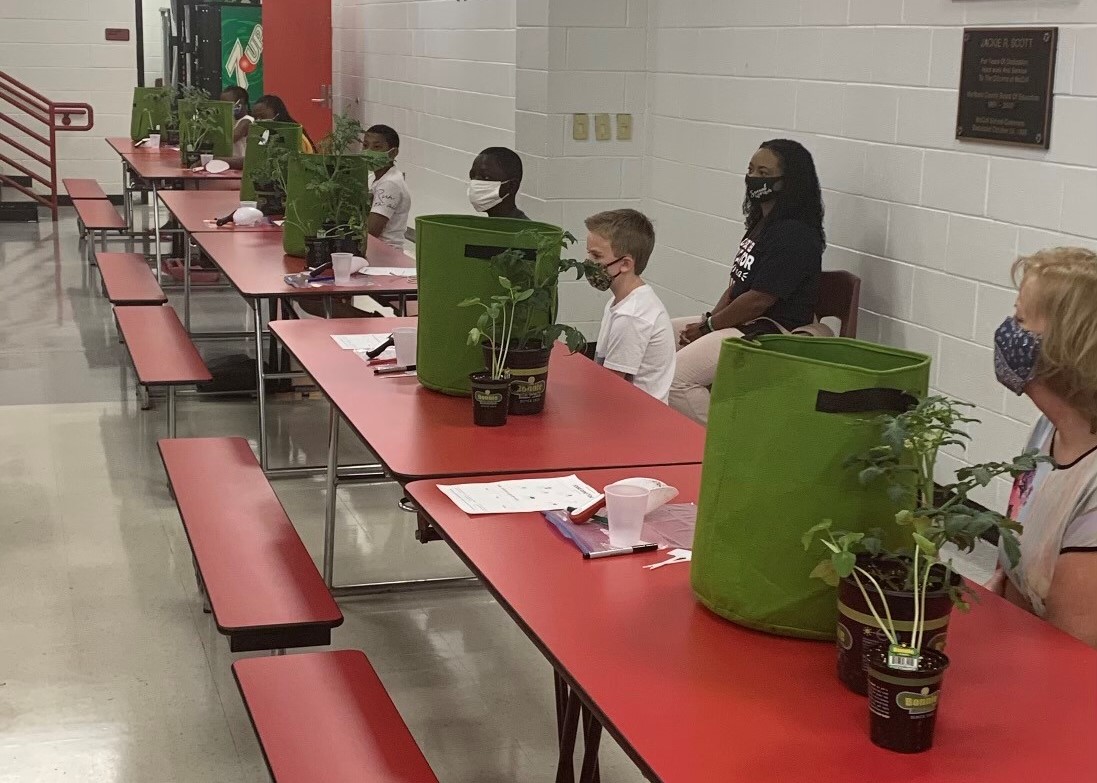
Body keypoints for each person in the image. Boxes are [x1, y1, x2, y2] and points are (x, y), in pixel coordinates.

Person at [668, 138, 825, 424]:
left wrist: (709, 327)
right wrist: (708, 321)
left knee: (676, 381)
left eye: (764, 174)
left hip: (771, 334)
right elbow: (737, 285)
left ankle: (721, 448)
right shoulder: (763, 223)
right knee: (657, 338)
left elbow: (758, 301)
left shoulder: (794, 234)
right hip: (743, 324)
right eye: (751, 170)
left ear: (788, 181)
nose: (753, 178)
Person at [989, 247, 1097, 648]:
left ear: (1063, 346)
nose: (1005, 331)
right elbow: (1017, 570)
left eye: (1019, 320)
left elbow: (1073, 655)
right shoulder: (1047, 430)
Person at [585, 209, 676, 403]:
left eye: (596, 256)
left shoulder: (632, 315)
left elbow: (610, 388)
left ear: (625, 264)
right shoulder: (619, 302)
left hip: (637, 422)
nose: (589, 263)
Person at [363, 124, 411, 251]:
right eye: (365, 145)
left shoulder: (390, 183)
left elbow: (372, 231)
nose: (369, 152)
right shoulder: (372, 177)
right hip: (373, 249)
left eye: (377, 147)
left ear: (393, 153)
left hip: (386, 252)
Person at [468, 147, 527, 219]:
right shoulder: (488, 226)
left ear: (511, 186)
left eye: (486, 177)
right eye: (472, 176)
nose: (475, 183)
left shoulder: (522, 229)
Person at [220, 86, 253, 158]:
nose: (224, 108)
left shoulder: (247, 121)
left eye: (227, 104)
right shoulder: (233, 121)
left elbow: (230, 139)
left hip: (240, 163)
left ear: (240, 103)